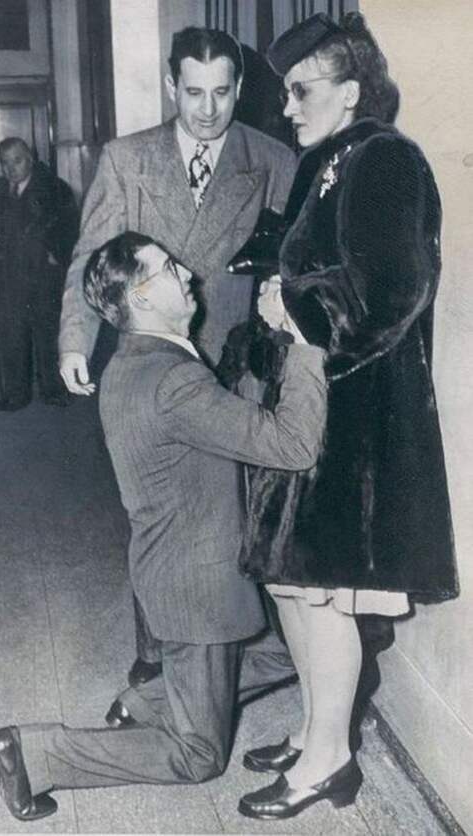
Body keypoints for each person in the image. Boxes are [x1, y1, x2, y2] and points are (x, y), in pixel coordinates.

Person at [0, 231, 326, 822]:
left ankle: (145, 700)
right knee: (198, 755)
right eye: (168, 269)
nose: (187, 273)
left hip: (173, 569)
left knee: (298, 653)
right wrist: (305, 343)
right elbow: (292, 444)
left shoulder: (135, 361)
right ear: (139, 298)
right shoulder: (173, 380)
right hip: (197, 588)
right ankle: (34, 754)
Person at [227, 13, 459, 821]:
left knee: (320, 591)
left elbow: (394, 289)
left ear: (351, 91)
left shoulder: (386, 158)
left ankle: (329, 762)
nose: (287, 107)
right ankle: (315, 732)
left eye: (301, 90)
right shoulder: (329, 160)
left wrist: (291, 302)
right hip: (314, 408)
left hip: (354, 425)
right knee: (293, 586)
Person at [58, 25, 297, 687]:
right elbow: (89, 258)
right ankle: (154, 648)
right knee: (157, 512)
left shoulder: (273, 159)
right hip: (155, 361)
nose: (208, 109)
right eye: (194, 92)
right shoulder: (127, 158)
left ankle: (229, 652)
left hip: (236, 369)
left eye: (222, 93)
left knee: (230, 518)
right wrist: (75, 341)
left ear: (239, 88)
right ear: (173, 86)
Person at [0, 137, 78, 411]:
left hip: (43, 277)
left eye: (17, 160)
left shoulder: (55, 190)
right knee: (10, 336)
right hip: (6, 278)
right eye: (5, 163)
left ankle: (53, 390)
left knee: (48, 335)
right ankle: (15, 393)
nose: (11, 169)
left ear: (30, 157)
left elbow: (72, 232)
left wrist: (59, 258)